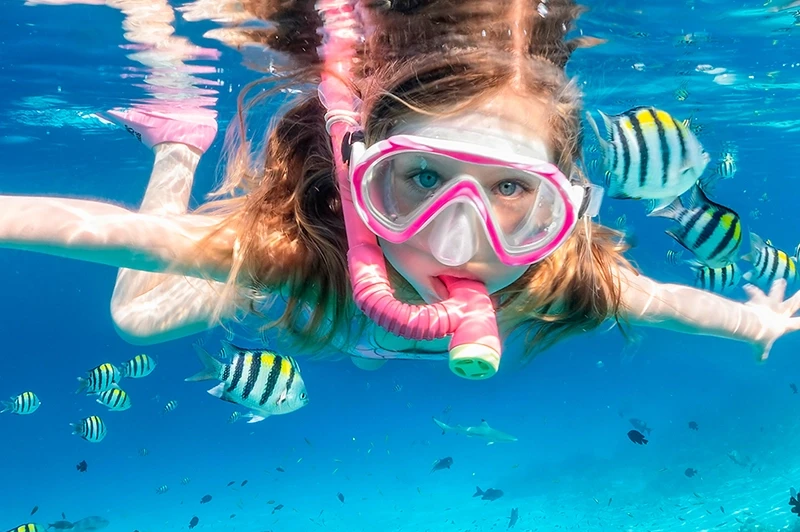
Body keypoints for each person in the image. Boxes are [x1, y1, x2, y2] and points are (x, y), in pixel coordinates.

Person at [2, 0, 799, 378]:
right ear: (361, 181)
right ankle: (181, 142)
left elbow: (668, 301)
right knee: (135, 318)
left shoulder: (562, 274)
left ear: (567, 210)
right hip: (299, 284)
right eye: (420, 178)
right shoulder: (292, 255)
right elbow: (120, 236)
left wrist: (753, 320)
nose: (455, 238)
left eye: (512, 193)